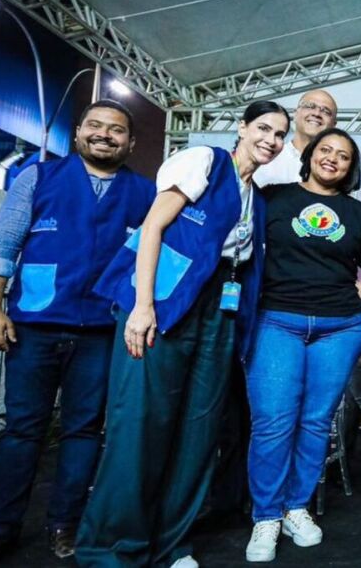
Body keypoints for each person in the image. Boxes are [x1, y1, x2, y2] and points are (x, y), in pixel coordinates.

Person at [76, 101, 288, 568]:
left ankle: (170, 544)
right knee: (140, 426)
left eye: (279, 135)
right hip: (165, 300)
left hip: (219, 312)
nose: (270, 140)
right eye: (263, 128)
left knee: (198, 433)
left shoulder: (256, 197)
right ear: (242, 128)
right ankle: (112, 548)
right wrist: (141, 306)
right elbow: (153, 227)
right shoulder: (205, 161)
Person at [0, 101, 155, 568]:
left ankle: (65, 525)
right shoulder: (37, 177)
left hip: (103, 331)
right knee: (22, 431)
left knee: (84, 431)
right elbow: (3, 245)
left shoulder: (145, 193)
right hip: (34, 328)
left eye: (117, 130)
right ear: (77, 132)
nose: (105, 135)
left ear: (130, 143)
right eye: (95, 126)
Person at [243, 128, 361, 562]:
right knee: (273, 421)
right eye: (326, 150)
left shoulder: (359, 214)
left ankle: (296, 507)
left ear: (351, 167)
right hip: (276, 321)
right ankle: (266, 514)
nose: (332, 158)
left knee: (317, 422)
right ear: (311, 155)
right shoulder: (273, 198)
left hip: (340, 327)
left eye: (343, 155)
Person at [254, 89, 338, 187]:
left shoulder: (336, 168)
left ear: (334, 125)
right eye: (310, 106)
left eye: (326, 111)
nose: (317, 113)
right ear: (295, 114)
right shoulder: (267, 156)